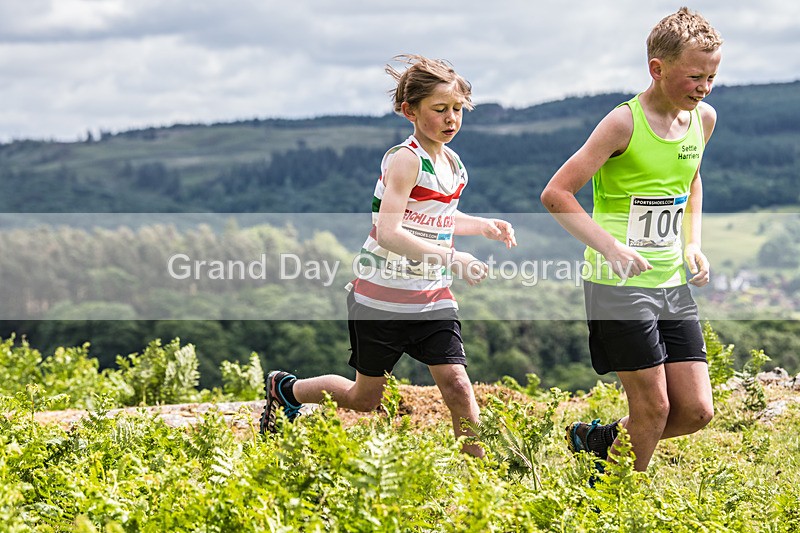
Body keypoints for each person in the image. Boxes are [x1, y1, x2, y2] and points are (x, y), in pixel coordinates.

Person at [260, 54, 517, 457]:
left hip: (431, 296)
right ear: (409, 111)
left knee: (457, 384)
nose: (451, 119)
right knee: (364, 398)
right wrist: (454, 258)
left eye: (457, 109)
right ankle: (286, 390)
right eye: (439, 110)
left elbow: (438, 217)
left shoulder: (453, 164)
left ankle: (479, 484)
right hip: (379, 298)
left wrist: (482, 225)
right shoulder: (406, 159)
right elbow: (390, 231)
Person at [540, 7, 722, 472]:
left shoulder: (703, 119)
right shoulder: (622, 124)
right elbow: (556, 194)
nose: (704, 87)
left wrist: (692, 243)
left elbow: (691, 179)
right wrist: (610, 246)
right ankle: (620, 498)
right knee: (654, 408)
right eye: (695, 76)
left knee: (697, 410)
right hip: (617, 286)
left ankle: (598, 439)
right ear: (657, 70)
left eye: (712, 76)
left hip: (670, 282)